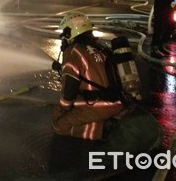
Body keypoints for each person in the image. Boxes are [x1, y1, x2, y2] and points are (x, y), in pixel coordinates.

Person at [51, 11, 124, 140]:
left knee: (60, 123)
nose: (63, 40)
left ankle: (91, 138)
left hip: (99, 104)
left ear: (70, 33)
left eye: (64, 36)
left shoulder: (73, 51)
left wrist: (63, 108)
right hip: (118, 99)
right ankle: (105, 122)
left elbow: (69, 91)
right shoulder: (101, 48)